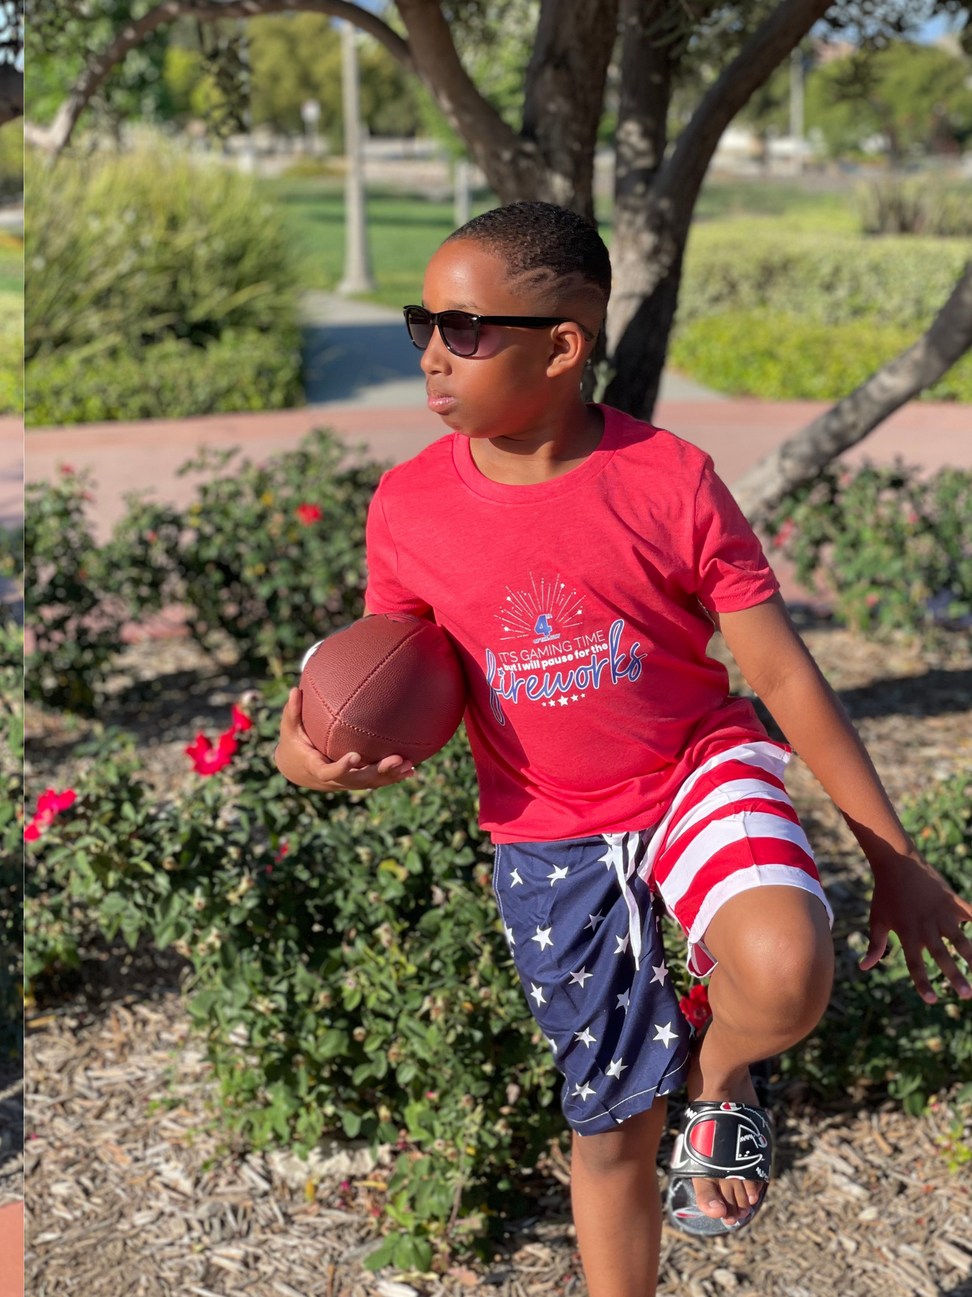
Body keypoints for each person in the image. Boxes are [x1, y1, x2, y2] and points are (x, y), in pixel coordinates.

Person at [273, 201, 972, 1297]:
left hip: (695, 765)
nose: (428, 355)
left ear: (562, 344)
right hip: (548, 828)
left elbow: (783, 675)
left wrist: (892, 856)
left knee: (787, 973)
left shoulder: (667, 480)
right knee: (612, 1131)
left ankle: (721, 1070)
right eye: (420, 323)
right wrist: (302, 749)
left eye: (464, 329)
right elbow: (384, 673)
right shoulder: (408, 505)